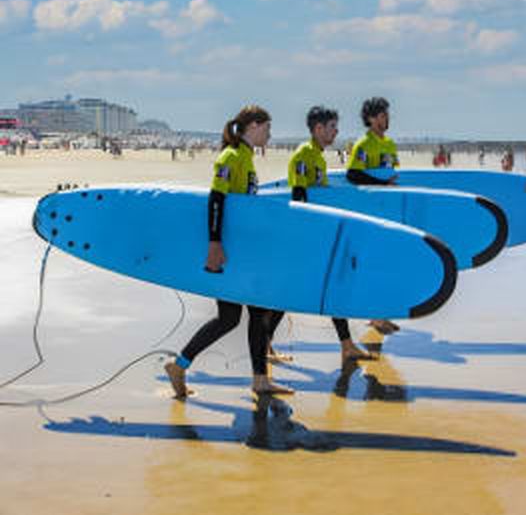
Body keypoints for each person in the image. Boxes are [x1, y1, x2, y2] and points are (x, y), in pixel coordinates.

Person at [164, 105, 291, 398]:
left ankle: (181, 365)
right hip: (229, 253)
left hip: (240, 251)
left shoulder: (245, 157)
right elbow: (216, 200)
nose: (270, 135)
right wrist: (214, 243)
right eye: (267, 128)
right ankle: (256, 379)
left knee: (237, 316)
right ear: (254, 126)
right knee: (246, 314)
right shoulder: (231, 157)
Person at [264, 106, 373, 363]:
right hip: (305, 237)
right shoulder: (304, 155)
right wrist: (309, 237)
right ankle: (264, 344)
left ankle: (346, 344)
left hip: (315, 235)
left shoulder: (318, 157)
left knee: (301, 291)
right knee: (290, 293)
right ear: (318, 128)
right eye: (332, 126)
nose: (336, 131)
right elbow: (299, 196)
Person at [345, 97, 401, 335]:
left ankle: (380, 314)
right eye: (381, 115)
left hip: (387, 211)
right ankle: (376, 316)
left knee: (387, 262)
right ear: (370, 118)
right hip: (368, 213)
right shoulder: (363, 145)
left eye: (387, 114)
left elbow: (393, 176)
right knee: (373, 263)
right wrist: (382, 184)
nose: (386, 118)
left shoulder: (389, 144)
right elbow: (352, 175)